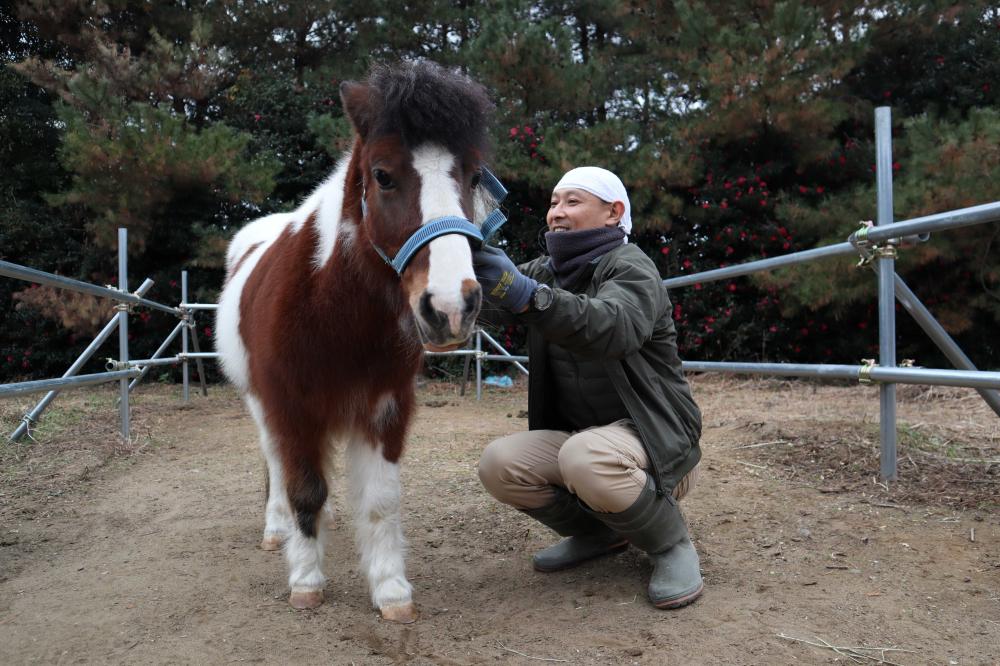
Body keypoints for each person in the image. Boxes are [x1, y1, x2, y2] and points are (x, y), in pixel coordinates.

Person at [472, 166, 704, 609]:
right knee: (499, 463)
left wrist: (528, 295)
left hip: (657, 447)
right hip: (589, 446)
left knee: (584, 458)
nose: (557, 212)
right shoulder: (548, 270)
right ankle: (600, 533)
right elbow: (497, 303)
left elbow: (613, 328)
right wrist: (465, 266)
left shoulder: (632, 266)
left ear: (613, 213)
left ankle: (670, 544)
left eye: (573, 202)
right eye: (554, 202)